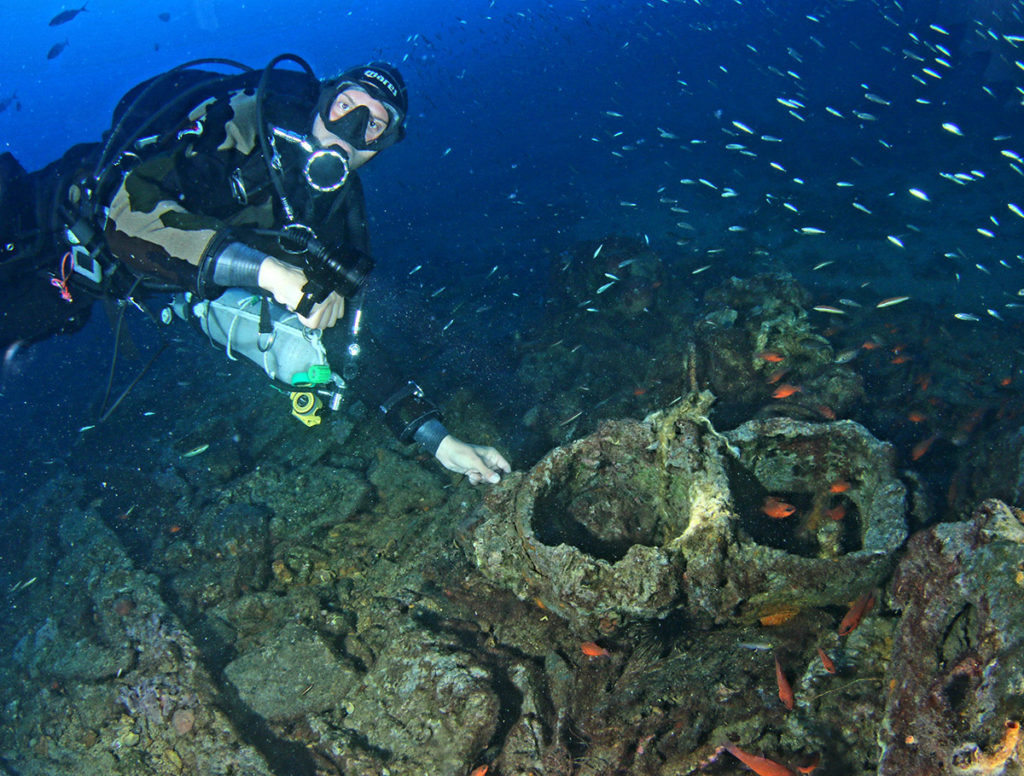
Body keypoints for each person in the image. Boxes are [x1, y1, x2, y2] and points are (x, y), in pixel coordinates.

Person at [0, 55, 511, 485]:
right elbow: (128, 215)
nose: (350, 132)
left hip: (86, 284)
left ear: (383, 147)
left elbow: (339, 338)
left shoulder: (336, 215)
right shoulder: (240, 123)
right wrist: (269, 273)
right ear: (324, 99)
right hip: (47, 216)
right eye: (346, 108)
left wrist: (438, 440)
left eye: (373, 126)